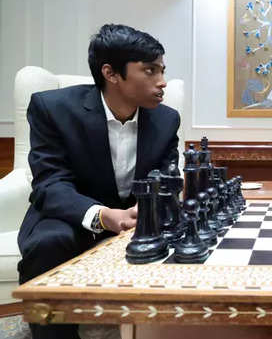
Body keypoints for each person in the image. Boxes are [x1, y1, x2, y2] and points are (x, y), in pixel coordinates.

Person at [17, 24, 180, 339]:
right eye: (149, 71)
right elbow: (50, 184)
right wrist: (104, 216)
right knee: (48, 244)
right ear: (112, 73)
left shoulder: (165, 118)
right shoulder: (52, 108)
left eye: (162, 70)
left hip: (135, 217)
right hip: (71, 213)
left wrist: (161, 197)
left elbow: (166, 176)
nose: (162, 82)